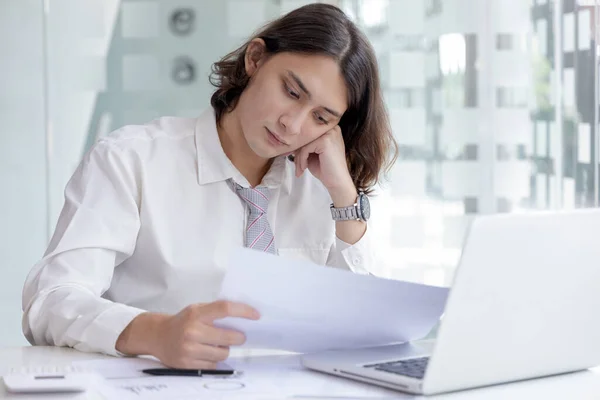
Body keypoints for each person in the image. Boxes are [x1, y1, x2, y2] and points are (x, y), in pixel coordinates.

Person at [21, 3, 398, 369]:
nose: (293, 125)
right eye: (292, 92)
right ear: (255, 59)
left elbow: (369, 331)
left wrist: (345, 198)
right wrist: (154, 332)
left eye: (320, 117)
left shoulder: (322, 189)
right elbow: (50, 302)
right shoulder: (132, 160)